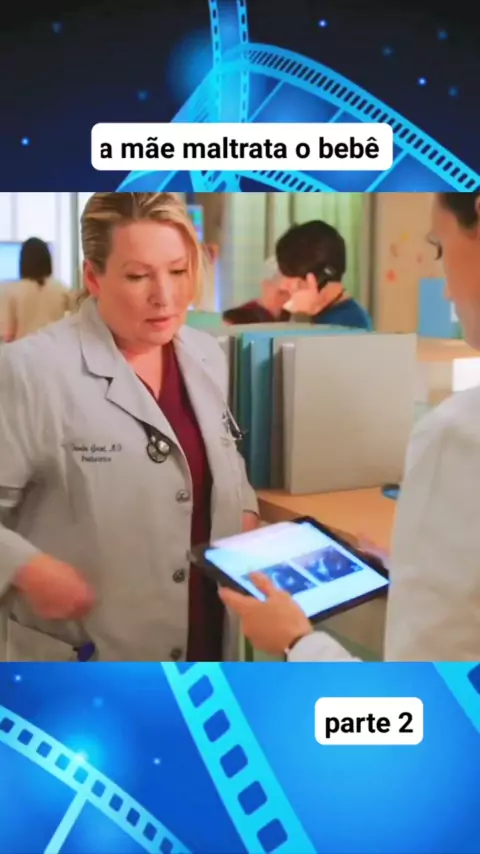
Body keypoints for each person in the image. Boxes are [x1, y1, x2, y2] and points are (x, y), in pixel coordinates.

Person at [220, 191, 480, 662]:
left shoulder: (459, 435)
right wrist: (419, 572)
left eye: (439, 248)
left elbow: (419, 693)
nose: (445, 290)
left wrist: (296, 641)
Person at [0, 192, 258, 663]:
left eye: (178, 271)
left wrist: (245, 513)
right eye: (139, 276)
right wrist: (27, 568)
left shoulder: (205, 355)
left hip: (206, 639)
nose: (165, 295)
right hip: (89, 657)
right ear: (93, 277)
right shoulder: (31, 370)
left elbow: (227, 461)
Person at [276, 220, 373, 330]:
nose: (283, 286)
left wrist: (302, 317)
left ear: (322, 280)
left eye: (298, 283)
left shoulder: (350, 325)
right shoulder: (320, 315)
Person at [3, 237, 73, 341]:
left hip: (24, 348)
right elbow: (78, 311)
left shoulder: (13, 291)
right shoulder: (60, 288)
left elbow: (8, 334)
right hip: (55, 346)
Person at [222, 256, 292, 324]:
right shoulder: (234, 319)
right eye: (282, 292)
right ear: (265, 284)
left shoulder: (291, 316)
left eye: (291, 293)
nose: (287, 298)